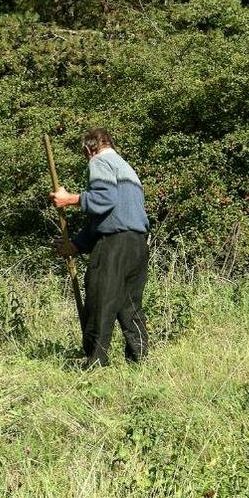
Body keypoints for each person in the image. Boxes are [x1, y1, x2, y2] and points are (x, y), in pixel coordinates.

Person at [51, 128, 149, 367]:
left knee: (99, 299)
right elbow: (108, 217)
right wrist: (75, 245)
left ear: (88, 148)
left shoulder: (99, 161)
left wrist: (70, 198)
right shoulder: (128, 170)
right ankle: (139, 360)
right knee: (130, 304)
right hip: (137, 244)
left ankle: (95, 361)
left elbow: (105, 200)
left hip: (114, 246)